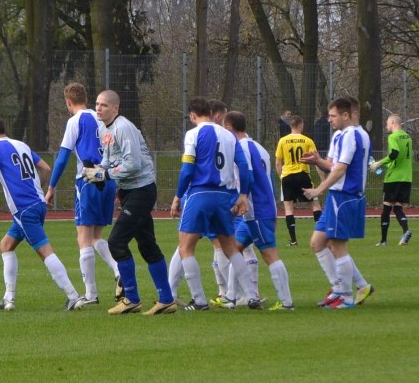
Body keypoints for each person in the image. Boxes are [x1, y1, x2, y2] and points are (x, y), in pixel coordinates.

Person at [0, 116, 86, 311]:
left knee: (44, 251)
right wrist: (36, 190)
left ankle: (73, 295)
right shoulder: (21, 144)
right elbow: (45, 168)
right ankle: (9, 299)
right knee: (6, 245)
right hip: (36, 205)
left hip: (24, 209)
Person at [82, 90, 175, 315]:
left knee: (116, 241)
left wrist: (105, 175)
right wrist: (97, 170)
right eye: (97, 104)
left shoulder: (123, 127)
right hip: (129, 191)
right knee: (147, 244)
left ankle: (131, 298)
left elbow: (132, 164)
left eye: (104, 105)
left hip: (141, 190)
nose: (99, 108)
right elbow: (108, 158)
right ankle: (166, 300)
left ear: (116, 108)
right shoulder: (104, 128)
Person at [170, 97, 259, 311]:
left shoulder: (193, 134)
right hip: (223, 196)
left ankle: (199, 300)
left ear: (192, 115)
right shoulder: (228, 135)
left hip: (200, 194)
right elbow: (245, 168)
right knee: (230, 247)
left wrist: (177, 196)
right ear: (211, 112)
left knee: (185, 248)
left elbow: (187, 170)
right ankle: (252, 295)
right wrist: (243, 195)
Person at [45, 82, 122, 305]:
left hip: (88, 178)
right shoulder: (104, 118)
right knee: (96, 236)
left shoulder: (75, 120)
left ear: (68, 102)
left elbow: (62, 157)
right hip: (107, 178)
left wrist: (51, 187)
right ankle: (118, 270)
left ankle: (90, 294)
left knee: (83, 237)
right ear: (87, 99)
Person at [301, 97, 372, 309]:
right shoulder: (341, 135)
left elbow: (341, 169)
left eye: (333, 116)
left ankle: (345, 296)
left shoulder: (353, 135)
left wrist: (319, 189)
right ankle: (352, 286)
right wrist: (317, 161)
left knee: (337, 245)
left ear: (346, 115)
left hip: (345, 196)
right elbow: (331, 165)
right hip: (337, 196)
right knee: (317, 242)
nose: (329, 120)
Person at [223, 110, 294, 310]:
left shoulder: (241, 148)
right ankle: (232, 297)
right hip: (260, 208)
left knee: (269, 253)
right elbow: (268, 180)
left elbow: (249, 177)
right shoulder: (259, 148)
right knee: (234, 248)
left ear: (229, 128)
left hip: (256, 210)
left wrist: (239, 200)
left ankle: (287, 303)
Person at [275, 115, 323, 246]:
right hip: (302, 175)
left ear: (290, 126)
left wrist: (281, 177)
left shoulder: (283, 141)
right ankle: (321, 236)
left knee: (289, 208)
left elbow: (278, 163)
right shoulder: (307, 140)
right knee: (314, 204)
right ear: (301, 125)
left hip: (287, 176)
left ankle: (293, 240)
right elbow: (317, 162)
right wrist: (322, 181)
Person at [370, 114, 414, 246]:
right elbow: (400, 159)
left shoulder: (393, 137)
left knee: (386, 208)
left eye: (387, 123)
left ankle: (383, 240)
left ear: (393, 122)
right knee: (398, 207)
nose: (386, 126)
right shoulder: (408, 137)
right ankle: (406, 231)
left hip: (393, 178)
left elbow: (394, 154)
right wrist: (385, 165)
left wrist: (378, 163)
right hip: (406, 178)